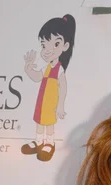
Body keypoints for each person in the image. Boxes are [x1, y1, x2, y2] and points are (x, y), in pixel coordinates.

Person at [22, 14, 76, 162]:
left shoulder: (59, 69)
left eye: (55, 44)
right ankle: (38, 142)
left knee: (49, 124)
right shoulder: (46, 68)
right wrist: (28, 68)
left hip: (51, 103)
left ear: (65, 46)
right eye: (44, 45)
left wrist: (60, 105)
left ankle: (49, 143)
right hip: (41, 102)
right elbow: (37, 76)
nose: (47, 50)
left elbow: (63, 88)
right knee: (39, 122)